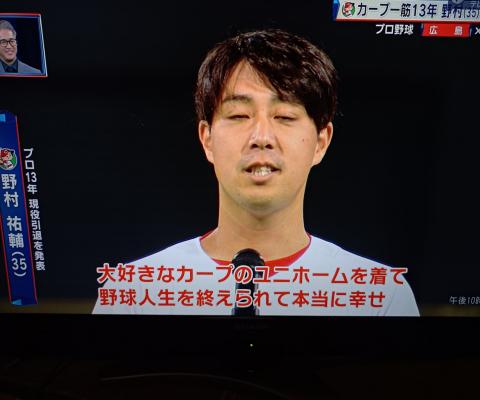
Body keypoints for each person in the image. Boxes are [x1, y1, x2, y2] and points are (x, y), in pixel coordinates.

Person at [94, 29, 419, 316]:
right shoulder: (133, 292)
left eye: (285, 116)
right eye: (239, 115)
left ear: (321, 142)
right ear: (207, 139)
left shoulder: (380, 297)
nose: (261, 137)